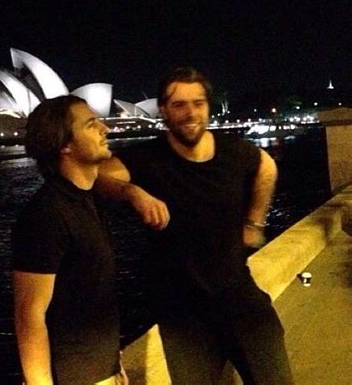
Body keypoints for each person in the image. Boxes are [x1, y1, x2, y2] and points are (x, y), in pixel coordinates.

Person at [97, 68, 294, 384]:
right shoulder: (146, 158)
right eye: (179, 105)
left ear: (208, 106)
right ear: (163, 110)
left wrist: (254, 221)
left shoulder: (235, 152)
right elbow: (97, 177)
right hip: (184, 320)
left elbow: (267, 168)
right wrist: (132, 192)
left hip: (244, 307)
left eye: (198, 103)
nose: (191, 113)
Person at [12, 95, 128, 385]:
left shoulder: (87, 199)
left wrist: (114, 365)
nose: (106, 129)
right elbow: (29, 315)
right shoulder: (45, 215)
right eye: (91, 125)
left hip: (103, 371)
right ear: (64, 145)